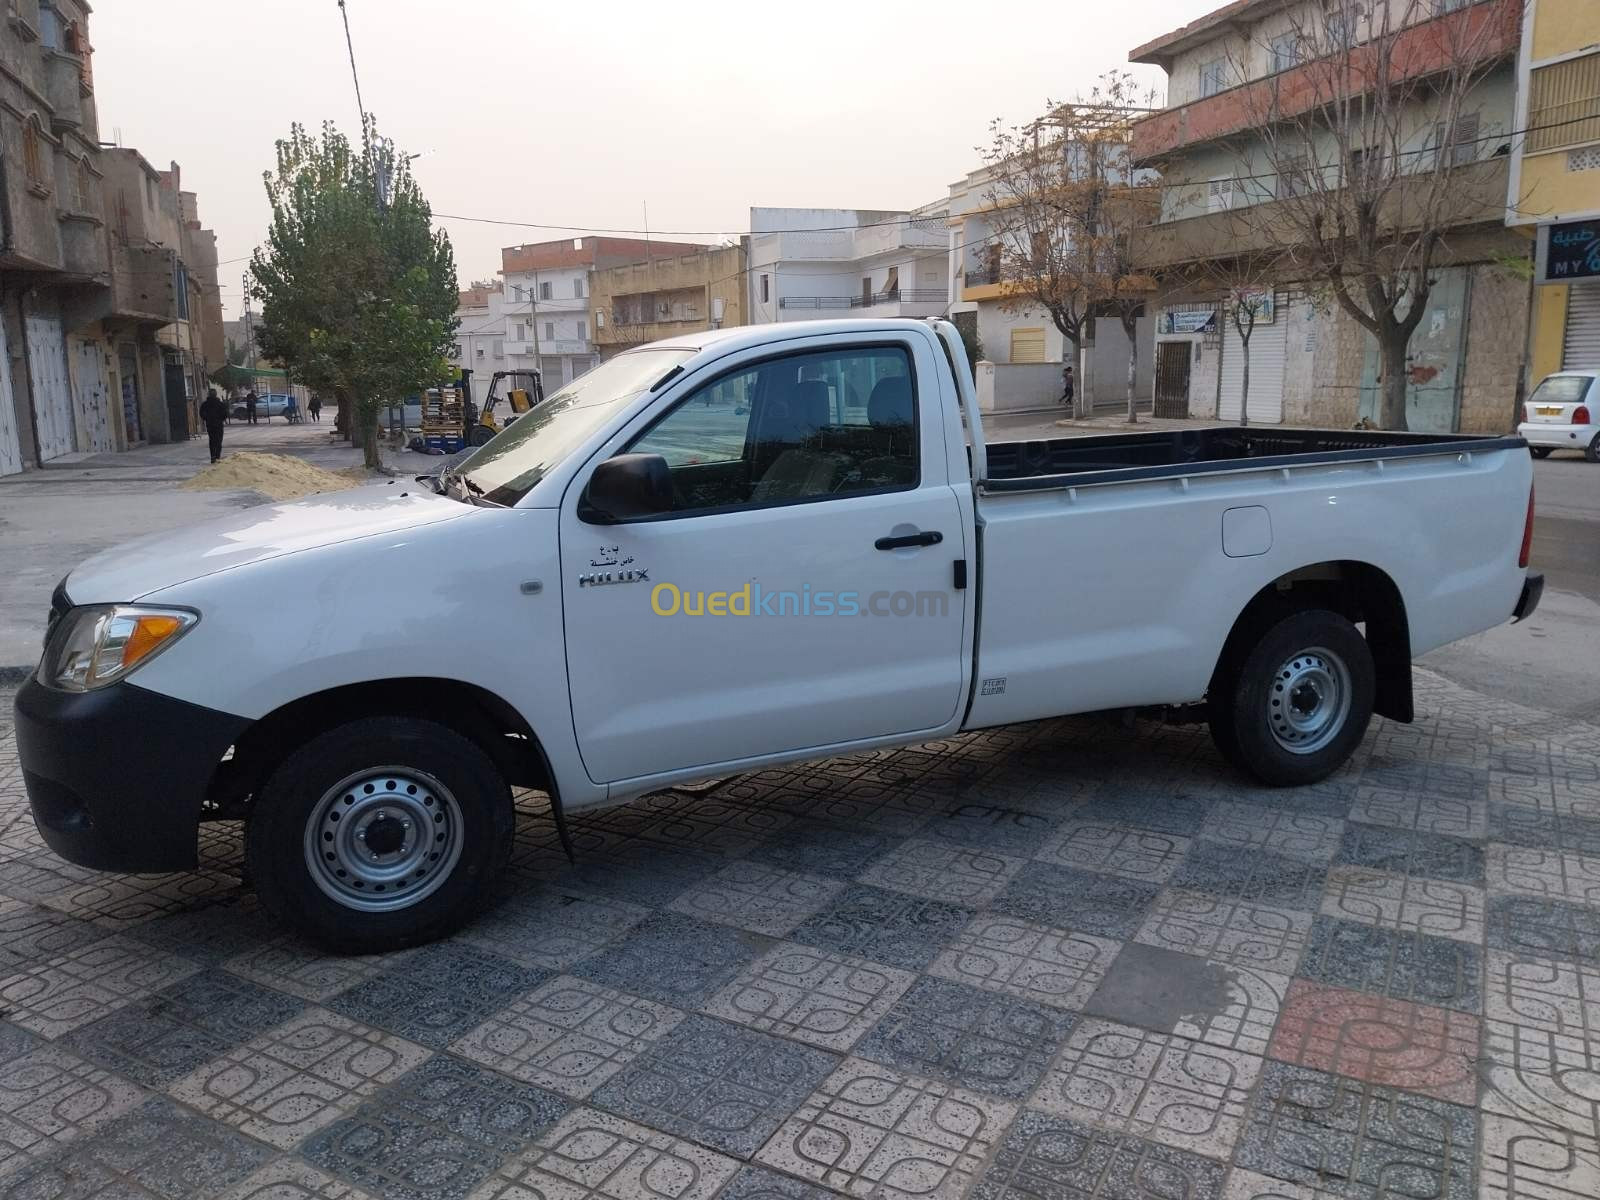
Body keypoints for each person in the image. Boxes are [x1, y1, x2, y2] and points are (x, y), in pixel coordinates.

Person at [199, 389, 227, 463]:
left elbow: (201, 413)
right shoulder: (220, 404)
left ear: (208, 395)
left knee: (212, 440)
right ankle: (217, 456)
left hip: (210, 424)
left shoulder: (205, 404)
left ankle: (213, 456)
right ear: (216, 394)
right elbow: (225, 414)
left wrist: (206, 419)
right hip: (218, 425)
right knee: (219, 441)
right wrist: (220, 419)